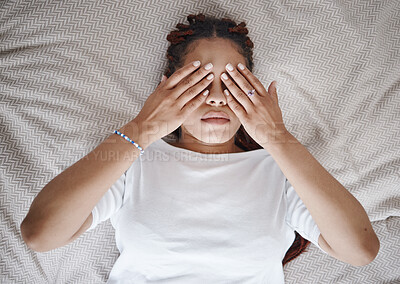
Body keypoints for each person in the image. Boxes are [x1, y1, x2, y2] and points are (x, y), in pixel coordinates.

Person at [21, 13, 379, 283]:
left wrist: (279, 137)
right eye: (199, 82)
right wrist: (143, 128)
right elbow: (40, 235)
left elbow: (360, 251)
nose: (218, 99)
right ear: (167, 89)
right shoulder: (132, 160)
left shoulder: (282, 171)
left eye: (233, 83)